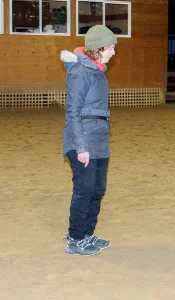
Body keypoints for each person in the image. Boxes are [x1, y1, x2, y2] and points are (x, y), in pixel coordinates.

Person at [60, 25, 117, 255]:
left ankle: (87, 234)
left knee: (97, 189)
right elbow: (73, 112)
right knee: (84, 189)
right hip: (82, 139)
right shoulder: (80, 72)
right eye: (111, 48)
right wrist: (80, 147)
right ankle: (75, 239)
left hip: (99, 138)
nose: (113, 52)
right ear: (98, 48)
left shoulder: (96, 71)